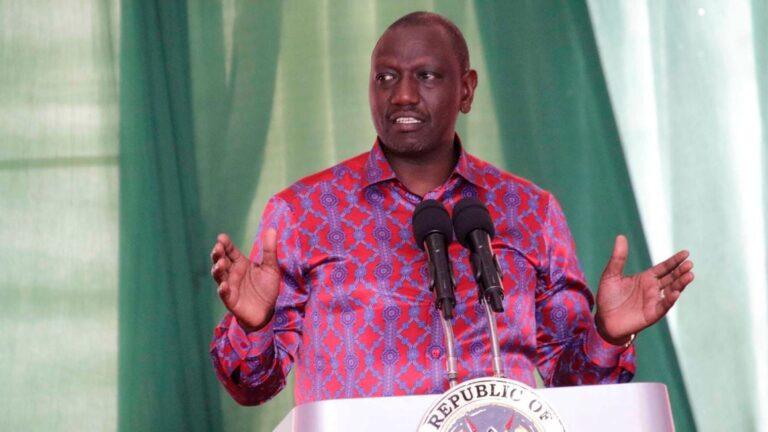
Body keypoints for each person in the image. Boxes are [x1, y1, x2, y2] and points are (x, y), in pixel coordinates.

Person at [209, 12, 694, 406]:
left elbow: (575, 393)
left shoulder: (529, 211)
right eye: (386, 77)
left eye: (425, 75)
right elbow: (253, 386)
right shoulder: (303, 213)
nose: (401, 94)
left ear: (466, 89)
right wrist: (253, 326)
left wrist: (607, 335)